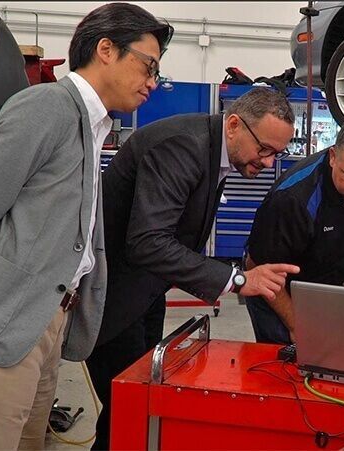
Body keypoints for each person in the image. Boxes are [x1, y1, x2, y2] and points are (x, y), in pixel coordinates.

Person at [0, 4, 172, 449]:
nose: (152, 81)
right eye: (148, 66)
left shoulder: (93, 125)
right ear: (106, 50)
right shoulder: (46, 106)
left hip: (45, 320)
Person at [87, 87, 301, 449]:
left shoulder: (215, 149)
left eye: (277, 155)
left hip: (146, 294)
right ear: (234, 124)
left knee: (137, 410)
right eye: (264, 150)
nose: (268, 163)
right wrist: (236, 279)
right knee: (129, 409)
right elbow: (148, 242)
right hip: (112, 300)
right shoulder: (181, 147)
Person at [244, 117, 344, 344]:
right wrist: (296, 324)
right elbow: (257, 265)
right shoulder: (293, 199)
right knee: (283, 362)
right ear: (333, 157)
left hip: (325, 282)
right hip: (278, 291)